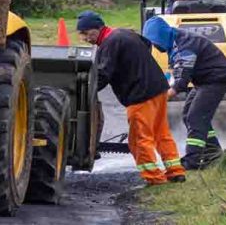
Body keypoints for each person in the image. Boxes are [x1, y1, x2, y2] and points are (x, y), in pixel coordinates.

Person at [76, 11, 185, 185]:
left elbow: (103, 74)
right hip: (158, 89)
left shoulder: (109, 43)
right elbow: (147, 44)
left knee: (139, 139)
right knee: (160, 133)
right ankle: (175, 171)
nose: (84, 38)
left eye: (85, 33)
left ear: (97, 29)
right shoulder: (125, 33)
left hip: (141, 95)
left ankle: (154, 178)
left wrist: (83, 91)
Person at [142, 16, 226, 170]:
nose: (156, 47)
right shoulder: (174, 41)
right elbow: (173, 73)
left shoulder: (185, 46)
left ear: (161, 35)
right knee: (189, 116)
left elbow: (181, 82)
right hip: (203, 80)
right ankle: (214, 156)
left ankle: (192, 161)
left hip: (216, 79)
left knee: (196, 117)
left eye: (156, 42)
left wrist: (158, 100)